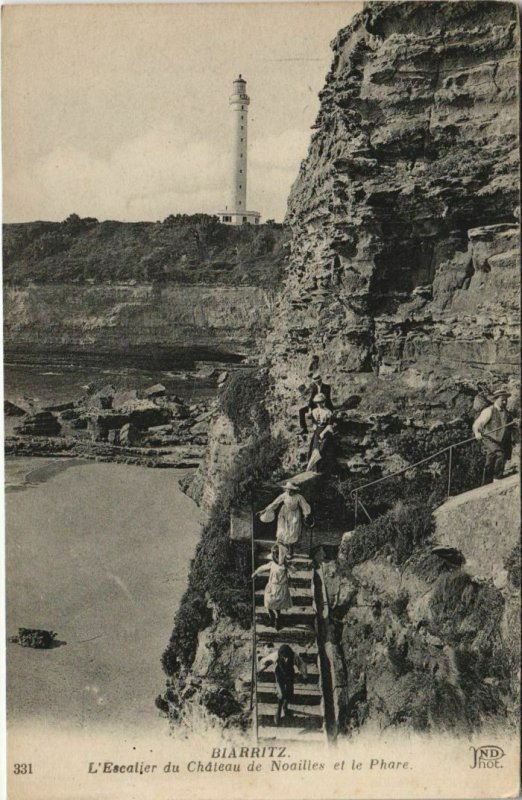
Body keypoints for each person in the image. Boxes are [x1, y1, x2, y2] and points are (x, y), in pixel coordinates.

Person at [258, 481, 311, 557]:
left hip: (294, 514)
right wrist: (265, 510)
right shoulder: (284, 496)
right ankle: (280, 550)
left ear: (294, 490)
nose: (289, 491)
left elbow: (304, 505)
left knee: (292, 532)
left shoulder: (299, 497)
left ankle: (290, 551)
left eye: (291, 490)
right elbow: (275, 503)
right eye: (288, 490)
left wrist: (306, 515)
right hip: (284, 513)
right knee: (282, 530)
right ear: (286, 490)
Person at [258, 644, 308, 725]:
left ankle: (285, 707)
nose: (285, 657)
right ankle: (278, 711)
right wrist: (261, 670)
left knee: (289, 693)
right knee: (281, 694)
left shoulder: (294, 655)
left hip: (289, 676)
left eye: (286, 656)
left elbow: (301, 665)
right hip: (280, 676)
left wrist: (304, 675)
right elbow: (268, 661)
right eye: (283, 656)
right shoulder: (277, 654)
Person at [472, 388, 514, 484]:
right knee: (500, 454)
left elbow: (510, 428)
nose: (504, 402)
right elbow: (477, 423)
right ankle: (497, 478)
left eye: (505, 400)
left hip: (499, 440)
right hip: (489, 438)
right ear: (496, 399)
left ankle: (486, 483)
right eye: (502, 400)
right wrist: (477, 433)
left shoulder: (507, 414)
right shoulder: (489, 411)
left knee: (490, 459)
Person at [252, 545, 295, 630]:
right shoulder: (272, 564)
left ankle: (277, 621)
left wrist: (288, 566)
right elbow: (263, 567)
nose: (275, 557)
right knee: (268, 603)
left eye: (277, 555)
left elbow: (293, 571)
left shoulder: (284, 566)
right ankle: (271, 619)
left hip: (280, 588)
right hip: (271, 587)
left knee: (277, 607)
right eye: (274, 555)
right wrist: (255, 572)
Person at [307, 393, 335, 472]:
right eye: (317, 402)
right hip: (317, 432)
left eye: (321, 402)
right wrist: (315, 427)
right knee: (314, 449)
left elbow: (329, 425)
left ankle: (323, 470)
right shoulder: (314, 411)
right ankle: (314, 469)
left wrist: (323, 433)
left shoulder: (328, 412)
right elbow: (314, 422)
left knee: (322, 450)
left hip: (325, 432)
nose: (319, 404)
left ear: (324, 402)